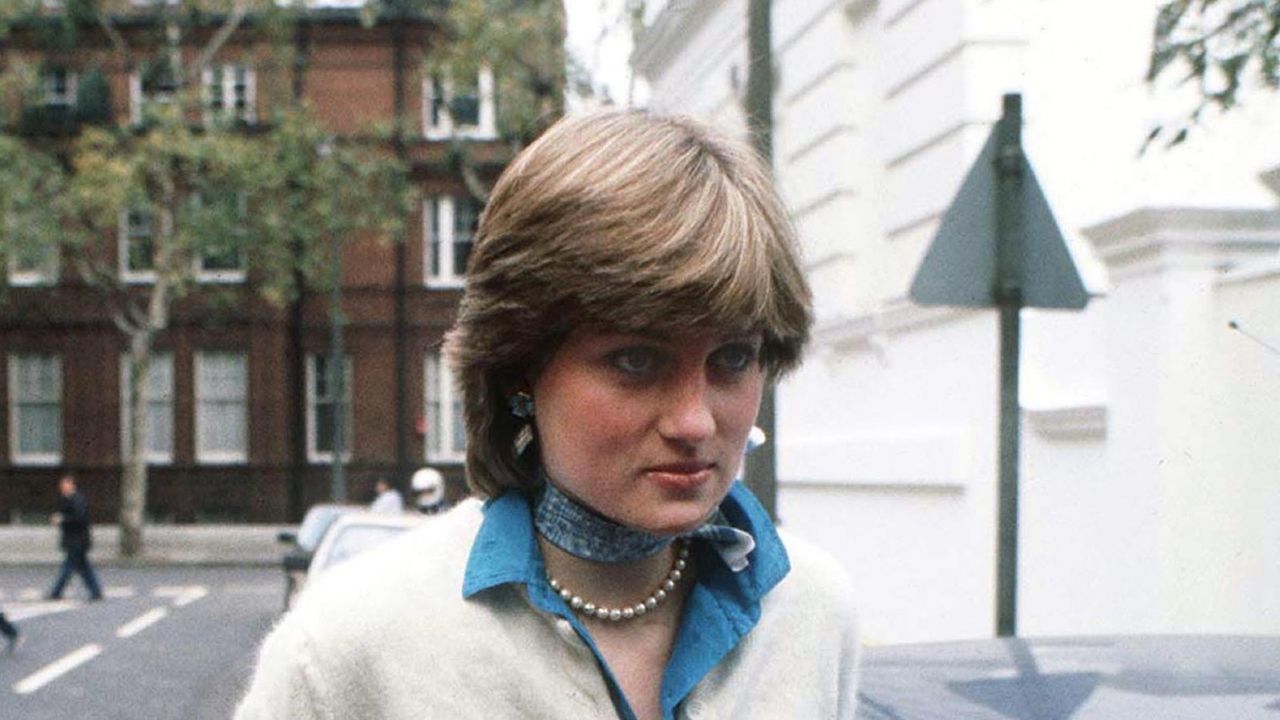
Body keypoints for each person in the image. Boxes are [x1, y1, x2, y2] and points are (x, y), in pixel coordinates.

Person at [235, 110, 860, 719]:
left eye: (731, 358)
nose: (694, 422)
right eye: (637, 361)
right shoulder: (348, 647)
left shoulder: (810, 613)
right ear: (518, 371)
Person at [47, 474, 103, 602]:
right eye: (61, 485)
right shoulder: (68, 499)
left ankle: (56, 592)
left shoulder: (77, 499)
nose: (62, 487)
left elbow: (80, 518)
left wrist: (62, 519)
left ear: (72, 485)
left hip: (78, 540)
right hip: (75, 540)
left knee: (68, 567)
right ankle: (96, 592)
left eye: (65, 484)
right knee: (84, 568)